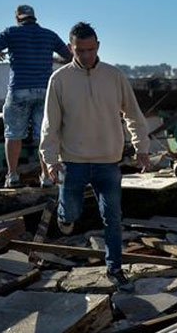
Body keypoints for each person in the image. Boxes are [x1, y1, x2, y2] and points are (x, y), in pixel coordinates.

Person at [40, 22, 150, 290]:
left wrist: (142, 148)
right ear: (70, 48)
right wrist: (50, 159)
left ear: (98, 45)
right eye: (80, 50)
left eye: (91, 49)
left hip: (108, 162)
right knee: (73, 212)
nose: (87, 55)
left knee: (113, 218)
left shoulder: (114, 77)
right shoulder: (60, 80)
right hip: (74, 162)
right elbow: (50, 124)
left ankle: (114, 268)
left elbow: (133, 115)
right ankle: (65, 215)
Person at [0, 4, 73, 188]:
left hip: (19, 89)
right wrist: (54, 59)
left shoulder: (11, 33)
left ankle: (13, 176)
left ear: (17, 18)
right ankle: (47, 177)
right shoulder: (49, 34)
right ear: (34, 17)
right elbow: (69, 56)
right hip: (44, 90)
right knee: (44, 135)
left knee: (13, 134)